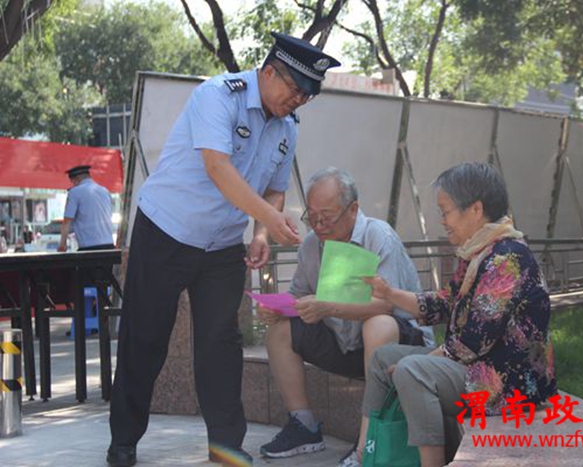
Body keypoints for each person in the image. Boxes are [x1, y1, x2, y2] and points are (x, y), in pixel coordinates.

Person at [106, 33, 339, 467]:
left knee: (221, 345)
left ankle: (226, 446)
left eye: (307, 97)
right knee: (146, 338)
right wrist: (270, 220)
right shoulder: (217, 96)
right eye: (294, 90)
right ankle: (123, 441)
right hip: (166, 231)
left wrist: (262, 234)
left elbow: (274, 190)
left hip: (223, 246)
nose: (298, 101)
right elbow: (218, 167)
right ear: (268, 72)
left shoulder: (288, 127)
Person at [355, 162, 557, 467]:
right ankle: (367, 452)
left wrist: (425, 360)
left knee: (412, 371)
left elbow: (475, 339)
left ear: (475, 209)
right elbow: (447, 303)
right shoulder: (478, 253)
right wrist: (390, 293)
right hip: (478, 366)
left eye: (445, 211)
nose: (442, 220)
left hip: (509, 383)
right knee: (384, 358)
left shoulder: (507, 259)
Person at [257, 167, 434, 461]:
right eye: (312, 216)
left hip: (399, 346)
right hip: (344, 342)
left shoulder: (378, 236)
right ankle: (303, 426)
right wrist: (275, 308)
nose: (318, 225)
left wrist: (328, 306)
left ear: (353, 209)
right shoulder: (311, 245)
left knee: (378, 324)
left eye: (327, 216)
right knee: (280, 331)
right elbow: (298, 295)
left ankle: (367, 444)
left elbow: (385, 304)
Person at [58, 165, 114, 252]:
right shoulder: (104, 191)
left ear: (75, 180)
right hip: (109, 245)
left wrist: (62, 244)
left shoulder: (74, 192)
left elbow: (67, 221)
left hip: (89, 246)